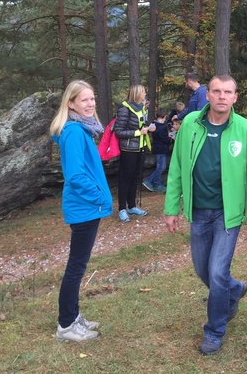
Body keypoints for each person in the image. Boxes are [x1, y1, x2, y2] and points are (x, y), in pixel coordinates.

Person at [164, 75, 247, 355]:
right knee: (202, 270)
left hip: (227, 215)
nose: (222, 96)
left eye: (228, 92)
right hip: (198, 211)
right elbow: (176, 166)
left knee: (217, 271)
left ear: (235, 97)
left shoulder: (246, 130)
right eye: (217, 91)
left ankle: (215, 329)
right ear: (207, 95)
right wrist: (172, 207)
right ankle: (234, 290)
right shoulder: (189, 124)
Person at [50, 80, 112, 342]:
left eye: (92, 98)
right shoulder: (75, 132)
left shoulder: (81, 130)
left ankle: (73, 317)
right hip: (84, 207)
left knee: (78, 265)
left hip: (87, 207)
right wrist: (98, 196)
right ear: (71, 103)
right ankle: (66, 325)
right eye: (84, 99)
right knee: (76, 267)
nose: (91, 103)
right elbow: (75, 175)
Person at [114, 84, 151, 222]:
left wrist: (148, 127)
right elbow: (119, 131)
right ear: (136, 93)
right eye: (143, 91)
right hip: (128, 149)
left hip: (140, 148)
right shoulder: (124, 108)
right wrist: (138, 132)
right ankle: (122, 209)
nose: (145, 93)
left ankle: (132, 206)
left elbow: (142, 124)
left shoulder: (141, 107)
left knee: (135, 177)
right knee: (125, 179)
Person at [143, 108, 172, 193]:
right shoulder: (162, 127)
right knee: (161, 167)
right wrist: (171, 139)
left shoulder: (153, 124)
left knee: (160, 167)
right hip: (162, 150)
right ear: (165, 116)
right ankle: (148, 180)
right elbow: (165, 139)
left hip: (157, 148)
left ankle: (157, 184)